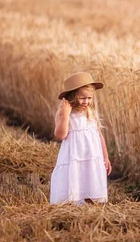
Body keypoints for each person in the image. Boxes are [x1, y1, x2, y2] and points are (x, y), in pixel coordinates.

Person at [50, 72, 112, 205]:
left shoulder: (90, 112)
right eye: (82, 98)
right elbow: (60, 135)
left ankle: (91, 208)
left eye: (89, 98)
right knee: (76, 179)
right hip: (75, 156)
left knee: (91, 181)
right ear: (72, 96)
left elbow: (99, 135)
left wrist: (105, 157)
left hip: (92, 156)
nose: (87, 101)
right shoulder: (64, 113)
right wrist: (65, 116)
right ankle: (73, 206)